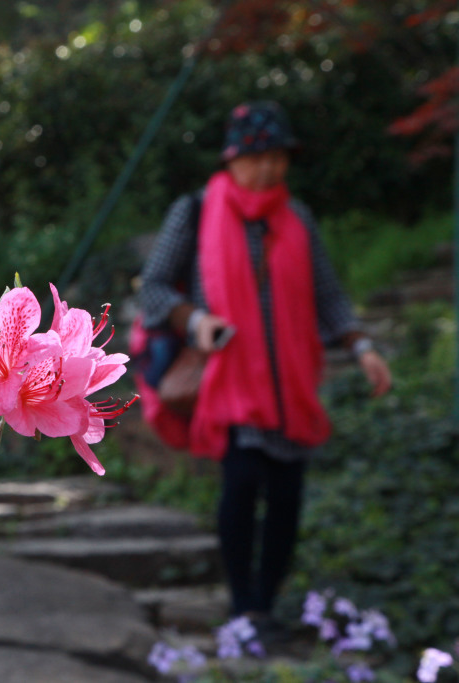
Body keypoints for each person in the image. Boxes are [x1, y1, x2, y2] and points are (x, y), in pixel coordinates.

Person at [137, 101, 391, 632]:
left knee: (286, 496)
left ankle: (265, 605)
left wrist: (363, 345)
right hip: (230, 379)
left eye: (277, 157)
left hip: (292, 383)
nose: (268, 169)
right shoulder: (197, 209)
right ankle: (241, 604)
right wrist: (194, 320)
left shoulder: (296, 218)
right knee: (242, 484)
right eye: (257, 158)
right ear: (232, 159)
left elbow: (329, 295)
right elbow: (156, 286)